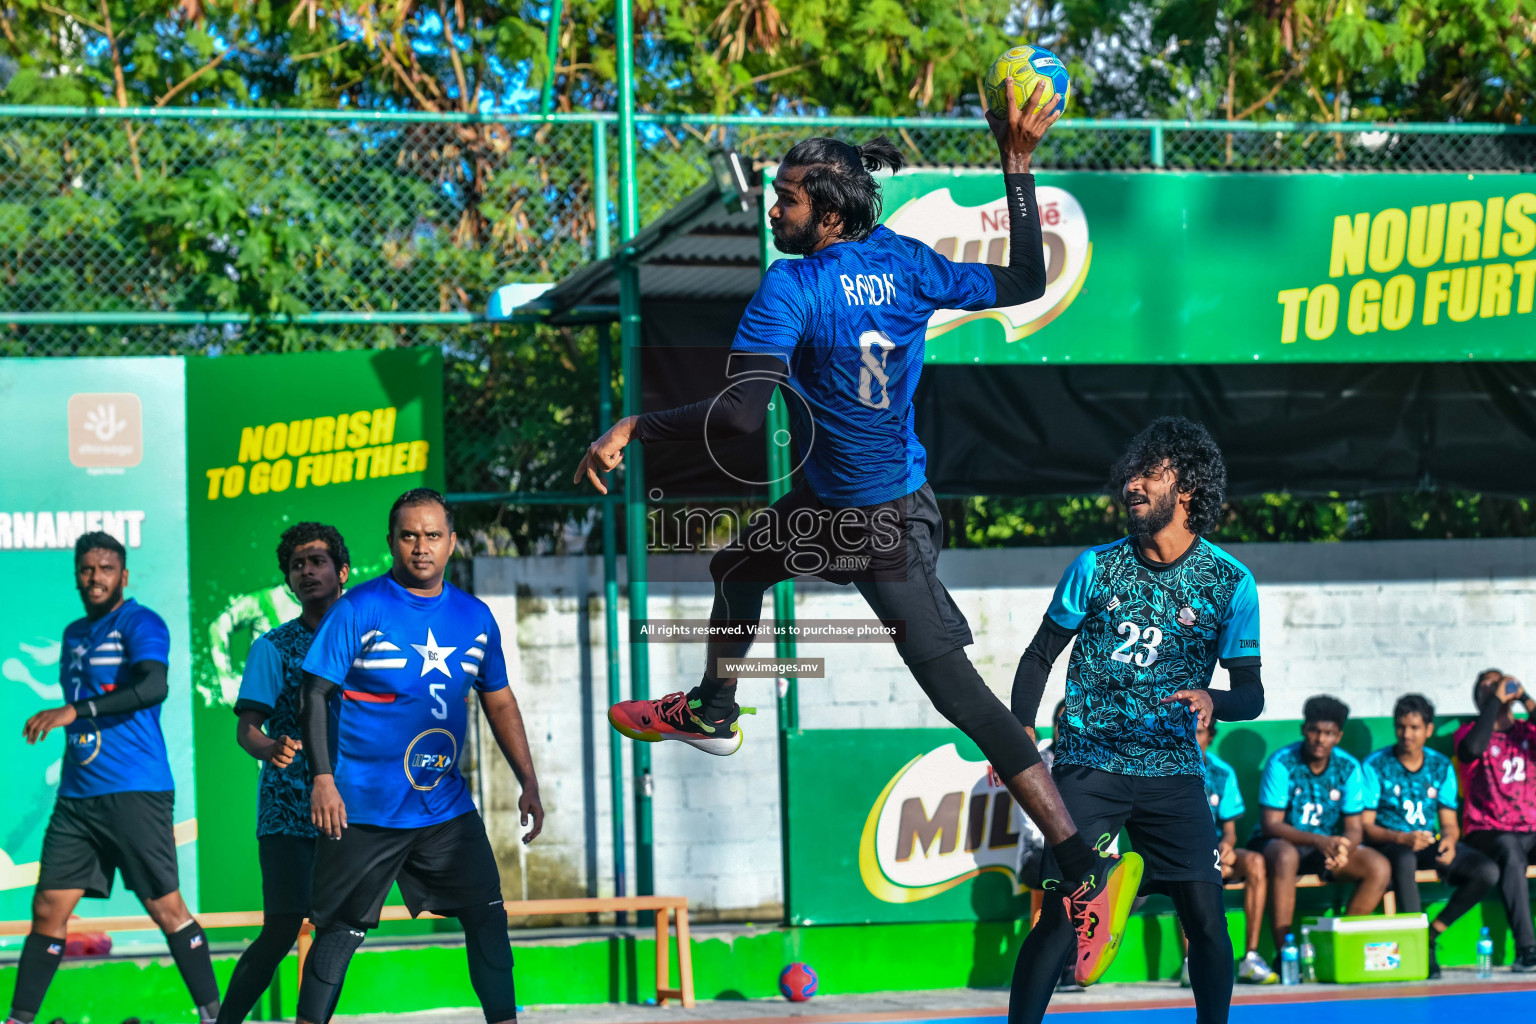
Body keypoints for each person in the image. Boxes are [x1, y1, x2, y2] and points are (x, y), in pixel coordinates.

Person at [575, 81, 1140, 984]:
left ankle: (1083, 873)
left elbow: (737, 417)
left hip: (876, 534)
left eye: (788, 198)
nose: (774, 208)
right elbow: (1028, 280)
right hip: (865, 509)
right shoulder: (910, 262)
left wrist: (638, 426)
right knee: (737, 566)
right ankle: (715, 708)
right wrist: (1018, 169)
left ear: (829, 215)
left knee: (968, 705)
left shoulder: (793, 286)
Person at [1010, 416, 1265, 1024]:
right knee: (1062, 917)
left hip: (1174, 772)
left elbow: (1251, 694)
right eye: (1130, 472)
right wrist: (1020, 731)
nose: (1132, 483)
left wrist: (1214, 699)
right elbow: (1039, 656)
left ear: (1189, 489)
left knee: (1206, 921)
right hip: (1088, 766)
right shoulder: (1095, 566)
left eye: (1151, 473)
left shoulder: (1231, 583)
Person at [295, 489, 545, 1023]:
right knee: (338, 934)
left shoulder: (475, 617)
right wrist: (323, 779)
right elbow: (313, 694)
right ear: (391, 542)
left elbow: (498, 701)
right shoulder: (359, 609)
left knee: (487, 919)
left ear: (452, 543)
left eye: (433, 535)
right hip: (362, 809)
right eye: (409, 535)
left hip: (443, 809)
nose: (421, 546)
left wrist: (528, 779)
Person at [10, 533, 221, 1024]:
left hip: (135, 789)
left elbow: (153, 686)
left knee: (165, 908)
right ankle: (19, 1019)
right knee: (47, 908)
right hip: (78, 796)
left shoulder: (141, 622)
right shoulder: (73, 634)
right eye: (86, 569)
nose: (95, 577)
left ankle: (215, 1015)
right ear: (77, 576)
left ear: (123, 576)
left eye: (106, 568)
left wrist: (75, 711)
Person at [216, 523, 351, 1024]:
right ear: (288, 580)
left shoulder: (368, 639)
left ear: (342, 571)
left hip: (351, 809)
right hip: (286, 810)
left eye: (317, 561)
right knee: (281, 929)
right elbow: (246, 729)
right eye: (298, 565)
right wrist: (270, 745)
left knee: (337, 928)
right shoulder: (272, 646)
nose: (307, 571)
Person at [1361, 693, 1497, 979]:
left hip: (1427, 840)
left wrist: (1448, 840)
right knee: (1404, 860)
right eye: (1401, 727)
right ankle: (1418, 949)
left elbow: (1448, 822)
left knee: (1486, 871)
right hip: (1389, 843)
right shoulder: (1376, 764)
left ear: (1429, 730)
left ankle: (1432, 932)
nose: (1407, 734)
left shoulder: (1440, 766)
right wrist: (1401, 838)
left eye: (1414, 727)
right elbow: (1366, 826)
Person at [1251, 696, 1390, 951]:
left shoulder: (1348, 767)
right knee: (1285, 856)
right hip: (1277, 843)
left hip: (1323, 847)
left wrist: (1343, 850)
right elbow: (1271, 824)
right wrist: (1321, 841)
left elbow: (1354, 828)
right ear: (1304, 729)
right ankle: (1285, 955)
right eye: (1314, 730)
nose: (1320, 738)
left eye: (1329, 733)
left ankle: (1343, 948)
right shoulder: (1281, 762)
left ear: (1338, 736)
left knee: (1378, 866)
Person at [1454, 669, 1536, 971]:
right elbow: (1472, 750)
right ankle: (1527, 950)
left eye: (1498, 683)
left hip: (1530, 829)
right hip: (1487, 831)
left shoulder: (1528, 732)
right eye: (1486, 685)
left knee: (1516, 846)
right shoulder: (1468, 733)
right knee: (1511, 851)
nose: (1494, 688)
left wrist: (1524, 696)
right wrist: (1494, 702)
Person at [1184, 719, 1276, 986]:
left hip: (1217, 853)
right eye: (1188, 731)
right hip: (1185, 856)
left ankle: (1250, 957)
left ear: (1210, 737)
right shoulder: (1168, 770)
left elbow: (1231, 830)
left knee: (1256, 862)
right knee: (1186, 869)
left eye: (1199, 733)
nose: (1193, 738)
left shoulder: (1222, 773)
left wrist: (1226, 845)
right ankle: (1192, 961)